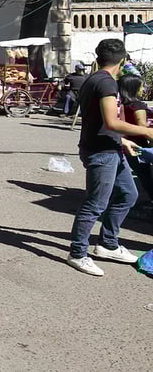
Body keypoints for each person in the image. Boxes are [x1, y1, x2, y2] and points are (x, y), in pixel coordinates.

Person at [66, 38, 153, 277]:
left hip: (111, 146)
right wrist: (146, 131)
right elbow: (111, 122)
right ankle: (77, 253)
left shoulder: (96, 80)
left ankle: (108, 244)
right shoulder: (105, 83)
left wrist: (123, 140)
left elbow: (97, 121)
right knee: (95, 203)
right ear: (123, 61)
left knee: (128, 193)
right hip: (100, 152)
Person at [117, 73, 153, 206]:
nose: (144, 90)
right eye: (142, 87)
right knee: (145, 176)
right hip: (137, 145)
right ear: (133, 88)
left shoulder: (122, 104)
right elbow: (142, 126)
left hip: (122, 143)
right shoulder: (138, 105)